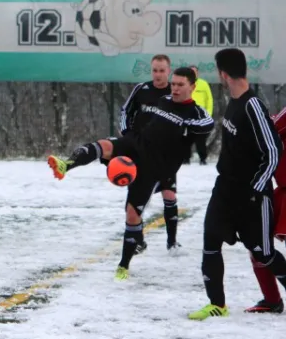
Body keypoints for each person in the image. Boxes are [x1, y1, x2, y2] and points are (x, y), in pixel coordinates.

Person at [48, 67, 214, 281]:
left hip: (155, 165)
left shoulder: (197, 115)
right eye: (173, 84)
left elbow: (206, 125)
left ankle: (124, 265)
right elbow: (138, 113)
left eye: (180, 85)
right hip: (137, 144)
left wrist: (184, 123)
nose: (175, 88)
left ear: (193, 86)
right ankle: (66, 165)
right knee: (103, 145)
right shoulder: (163, 100)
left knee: (132, 213)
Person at [188, 48, 286, 320]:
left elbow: (273, 150)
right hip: (225, 190)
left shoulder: (252, 105)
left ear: (223, 73)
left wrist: (256, 188)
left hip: (252, 196)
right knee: (210, 242)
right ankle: (217, 304)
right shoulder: (233, 101)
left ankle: (274, 300)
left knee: (263, 253)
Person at [118, 54, 181, 254]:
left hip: (164, 156)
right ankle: (139, 240)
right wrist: (128, 135)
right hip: (140, 154)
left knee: (169, 195)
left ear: (169, 71)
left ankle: (172, 242)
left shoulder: (175, 94)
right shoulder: (141, 89)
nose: (158, 74)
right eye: (155, 70)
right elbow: (125, 112)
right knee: (135, 200)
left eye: (162, 70)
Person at [244, 106, 286, 314]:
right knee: (258, 243)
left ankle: (272, 300)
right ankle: (271, 300)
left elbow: (266, 131)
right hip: (282, 190)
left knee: (259, 244)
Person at [183, 66, 213, 165]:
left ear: (198, 73)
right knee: (186, 138)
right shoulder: (184, 83)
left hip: (201, 116)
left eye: (195, 72)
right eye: (191, 72)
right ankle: (186, 159)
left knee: (201, 140)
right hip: (187, 114)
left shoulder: (203, 84)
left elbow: (209, 99)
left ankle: (203, 159)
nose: (193, 73)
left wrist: (208, 114)